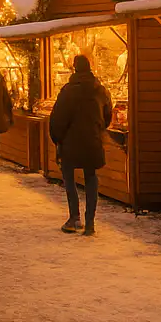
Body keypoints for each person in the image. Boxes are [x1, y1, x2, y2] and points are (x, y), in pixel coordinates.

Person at [49, 54, 113, 236]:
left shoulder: (68, 91)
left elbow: (58, 119)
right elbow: (108, 114)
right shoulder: (100, 90)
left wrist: (58, 139)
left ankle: (74, 218)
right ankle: (90, 222)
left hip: (70, 143)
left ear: (74, 68)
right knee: (91, 177)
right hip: (93, 140)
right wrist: (98, 129)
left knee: (69, 178)